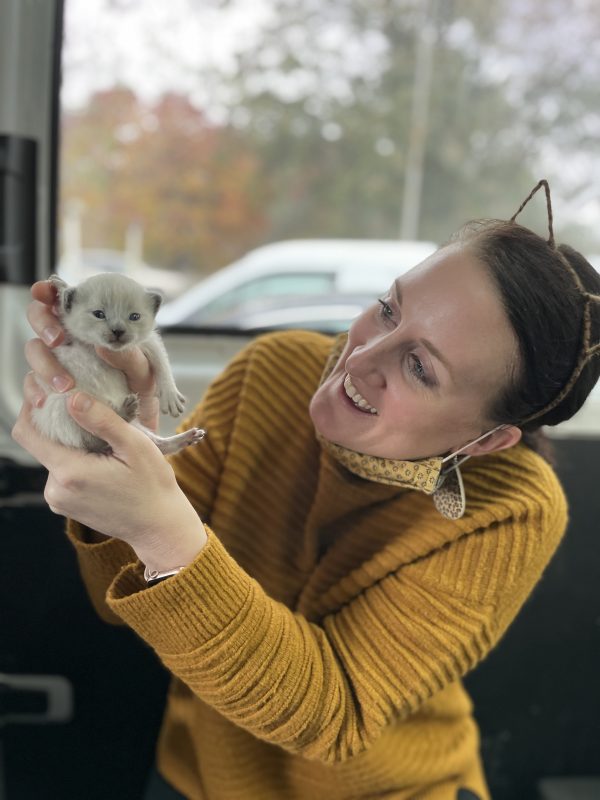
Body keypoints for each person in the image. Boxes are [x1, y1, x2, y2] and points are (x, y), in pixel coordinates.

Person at [12, 181, 600, 800]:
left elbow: (335, 717)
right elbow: (118, 604)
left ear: (487, 441)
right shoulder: (270, 371)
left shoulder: (514, 509)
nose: (362, 354)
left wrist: (164, 533)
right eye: (390, 308)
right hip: (198, 775)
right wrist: (113, 450)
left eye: (421, 367)